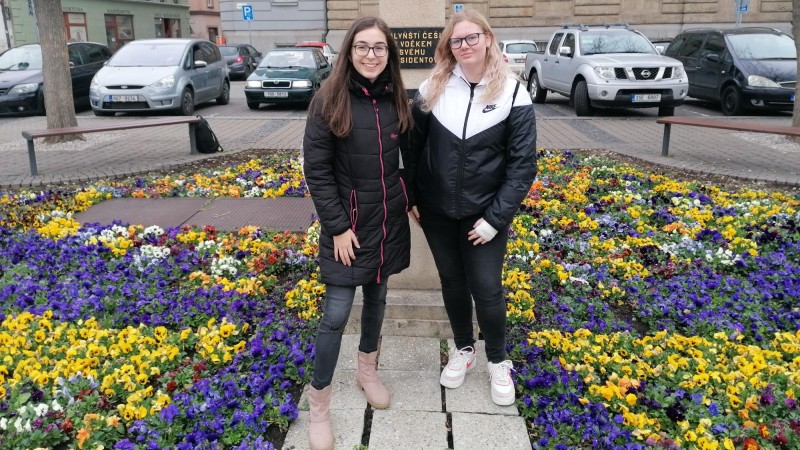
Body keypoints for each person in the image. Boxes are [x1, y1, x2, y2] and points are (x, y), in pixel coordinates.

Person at [406, 10, 537, 407]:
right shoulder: (433, 86)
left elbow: (522, 166)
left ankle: (498, 359)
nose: (463, 46)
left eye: (470, 38)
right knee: (452, 282)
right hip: (437, 212)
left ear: (487, 38)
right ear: (448, 47)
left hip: (485, 216)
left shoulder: (514, 93)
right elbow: (412, 149)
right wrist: (412, 196)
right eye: (455, 41)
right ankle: (464, 349)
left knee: (488, 289)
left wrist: (495, 220)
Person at [302, 16, 413, 450]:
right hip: (348, 229)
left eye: (379, 48)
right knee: (335, 314)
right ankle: (319, 406)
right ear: (349, 52)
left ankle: (367, 372)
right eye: (363, 47)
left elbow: (409, 159)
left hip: (387, 222)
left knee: (378, 299)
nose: (371, 55)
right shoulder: (328, 100)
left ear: (389, 54)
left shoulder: (397, 98)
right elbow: (318, 170)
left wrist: (410, 196)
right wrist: (338, 228)